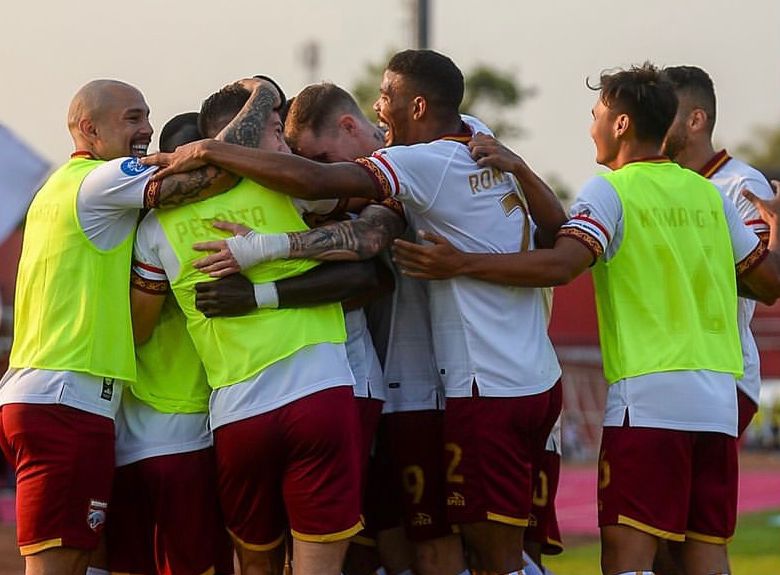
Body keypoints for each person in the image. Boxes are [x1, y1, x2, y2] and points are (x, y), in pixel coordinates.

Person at [144, 50, 567, 575]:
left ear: (414, 105)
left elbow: (355, 237)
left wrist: (251, 236)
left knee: (471, 549)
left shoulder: (417, 163)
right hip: (490, 376)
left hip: (461, 382)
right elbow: (560, 246)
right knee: (421, 543)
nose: (377, 108)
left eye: (385, 98)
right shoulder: (472, 134)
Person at [391, 63, 780, 575]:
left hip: (648, 399)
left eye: (596, 113)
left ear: (620, 124)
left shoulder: (610, 191)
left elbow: (560, 264)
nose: (590, 124)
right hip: (715, 401)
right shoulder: (707, 194)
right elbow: (769, 285)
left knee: (628, 558)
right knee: (705, 551)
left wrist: (459, 263)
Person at [0, 77, 278, 575]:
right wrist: (262, 98)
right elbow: (209, 178)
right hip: (67, 398)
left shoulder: (57, 190)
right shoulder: (100, 181)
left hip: (56, 396)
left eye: (147, 116)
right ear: (88, 129)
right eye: (132, 118)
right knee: (57, 564)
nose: (146, 129)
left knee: (84, 557)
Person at [130, 83, 364, 575]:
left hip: (237, 412)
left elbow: (139, 326)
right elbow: (364, 247)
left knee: (255, 565)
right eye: (277, 132)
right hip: (317, 391)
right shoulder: (292, 187)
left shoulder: (153, 227)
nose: (287, 145)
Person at [662, 64, 774, 436]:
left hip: (725, 375)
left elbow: (762, 282)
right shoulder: (653, 182)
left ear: (696, 120)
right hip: (667, 371)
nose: (655, 120)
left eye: (666, 111)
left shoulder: (741, 183)